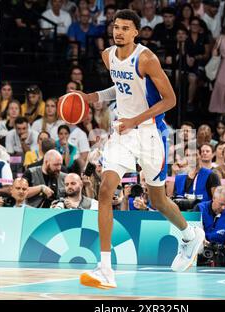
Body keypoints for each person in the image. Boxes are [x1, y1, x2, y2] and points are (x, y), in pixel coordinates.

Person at [75, 9, 205, 289]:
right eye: (116, 27)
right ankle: (105, 268)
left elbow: (170, 100)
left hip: (150, 134)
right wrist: (91, 97)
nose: (118, 32)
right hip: (122, 132)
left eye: (125, 28)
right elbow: (118, 90)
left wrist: (136, 119)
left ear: (136, 32)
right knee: (106, 189)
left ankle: (188, 234)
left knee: (158, 201)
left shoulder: (147, 59)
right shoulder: (108, 55)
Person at [195, 186, 225, 267]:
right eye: (221, 204)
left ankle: (216, 262)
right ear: (213, 198)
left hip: (221, 246)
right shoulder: (200, 208)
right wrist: (202, 239)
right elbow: (195, 229)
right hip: (204, 244)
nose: (223, 208)